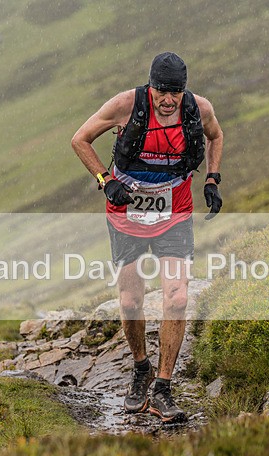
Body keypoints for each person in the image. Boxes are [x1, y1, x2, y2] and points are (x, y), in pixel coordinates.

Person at [71, 52, 224, 423]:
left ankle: (163, 388)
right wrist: (106, 182)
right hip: (127, 216)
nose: (169, 100)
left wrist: (211, 179)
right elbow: (80, 140)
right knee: (129, 301)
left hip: (175, 214)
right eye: (162, 91)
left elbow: (216, 135)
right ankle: (141, 368)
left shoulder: (198, 108)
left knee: (177, 296)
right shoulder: (126, 105)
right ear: (150, 85)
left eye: (175, 92)